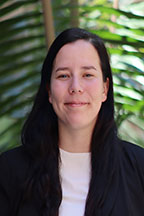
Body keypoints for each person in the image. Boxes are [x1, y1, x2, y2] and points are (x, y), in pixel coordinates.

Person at [0, 27, 144, 216]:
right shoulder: (8, 170)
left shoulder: (139, 166)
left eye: (87, 75)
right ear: (49, 91)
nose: (76, 87)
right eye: (63, 75)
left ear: (105, 88)